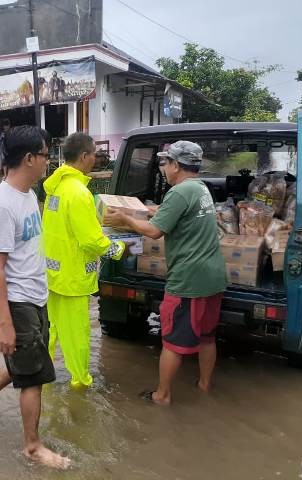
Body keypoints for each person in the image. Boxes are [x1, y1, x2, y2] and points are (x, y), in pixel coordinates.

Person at [0, 126, 70, 470]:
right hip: (16, 303)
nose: (48, 161)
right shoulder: (1, 205)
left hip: (36, 295)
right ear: (30, 158)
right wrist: (5, 324)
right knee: (34, 377)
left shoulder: (29, 194)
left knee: (31, 360)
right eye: (46, 154)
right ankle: (32, 447)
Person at [105, 141, 227, 406]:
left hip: (188, 280)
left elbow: (153, 232)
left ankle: (162, 396)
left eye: (166, 162)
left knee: (172, 341)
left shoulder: (180, 192)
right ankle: (204, 386)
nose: (163, 168)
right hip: (213, 276)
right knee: (207, 336)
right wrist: (138, 209)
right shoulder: (200, 189)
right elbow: (167, 212)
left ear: (176, 165)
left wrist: (124, 219)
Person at [42, 133, 126, 389]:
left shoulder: (55, 187)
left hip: (53, 273)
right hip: (73, 278)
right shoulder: (78, 193)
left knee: (52, 330)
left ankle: (42, 380)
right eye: (94, 155)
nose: (95, 160)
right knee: (77, 335)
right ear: (83, 156)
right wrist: (119, 248)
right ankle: (80, 383)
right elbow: (91, 241)